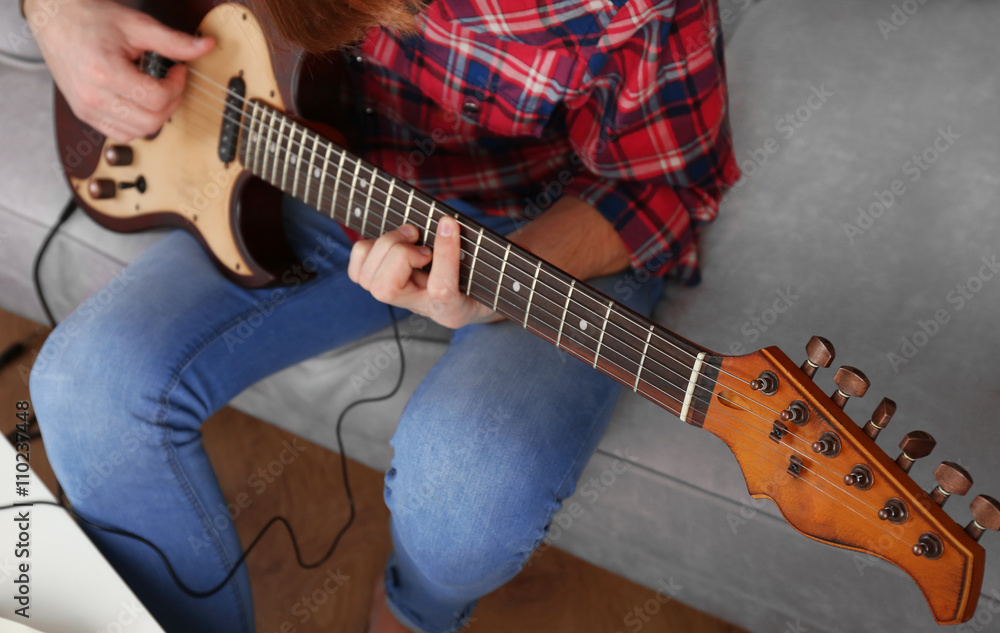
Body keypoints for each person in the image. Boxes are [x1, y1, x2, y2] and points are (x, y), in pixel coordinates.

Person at [25, 0, 738, 631]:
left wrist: (490, 284)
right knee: (84, 387)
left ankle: (418, 612)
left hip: (548, 227)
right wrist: (53, 13)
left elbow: (663, 189)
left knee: (469, 492)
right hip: (315, 166)